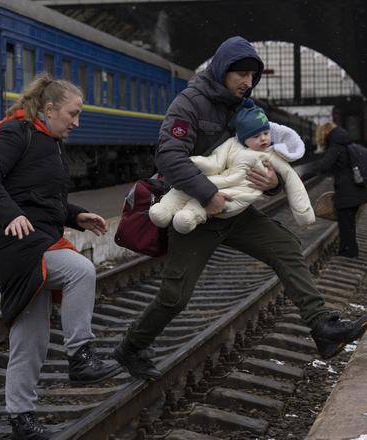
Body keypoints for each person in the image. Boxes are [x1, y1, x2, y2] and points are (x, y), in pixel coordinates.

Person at [113, 36, 367, 380]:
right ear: (221, 70)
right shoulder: (189, 104)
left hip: (235, 212)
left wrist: (272, 184)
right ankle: (130, 347)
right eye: (241, 74)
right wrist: (207, 195)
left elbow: (266, 155)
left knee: (286, 247)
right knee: (176, 297)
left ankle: (322, 326)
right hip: (195, 211)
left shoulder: (245, 106)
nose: (247, 82)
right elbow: (168, 156)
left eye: (252, 76)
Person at [0, 73, 120, 440]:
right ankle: (81, 357)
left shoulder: (49, 141)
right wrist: (11, 214)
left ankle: (21, 419)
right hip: (9, 240)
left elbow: (39, 198)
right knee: (80, 270)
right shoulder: (15, 133)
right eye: (73, 113)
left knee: (32, 336)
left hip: (33, 238)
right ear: (49, 108)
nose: (77, 122)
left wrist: (75, 215)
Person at [149, 103, 314, 234]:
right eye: (256, 136)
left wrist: (278, 186)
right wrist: (193, 162)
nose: (263, 139)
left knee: (287, 248)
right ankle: (164, 209)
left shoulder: (271, 155)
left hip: (237, 194)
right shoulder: (229, 142)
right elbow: (214, 163)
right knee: (184, 190)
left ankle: (190, 216)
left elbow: (292, 180)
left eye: (266, 133)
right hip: (210, 183)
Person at [315, 122, 367, 257]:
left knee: (345, 224)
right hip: (357, 191)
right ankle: (347, 250)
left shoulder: (336, 147)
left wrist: (302, 176)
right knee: (349, 223)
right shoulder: (348, 145)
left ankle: (349, 253)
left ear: (325, 133)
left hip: (346, 193)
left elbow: (323, 166)